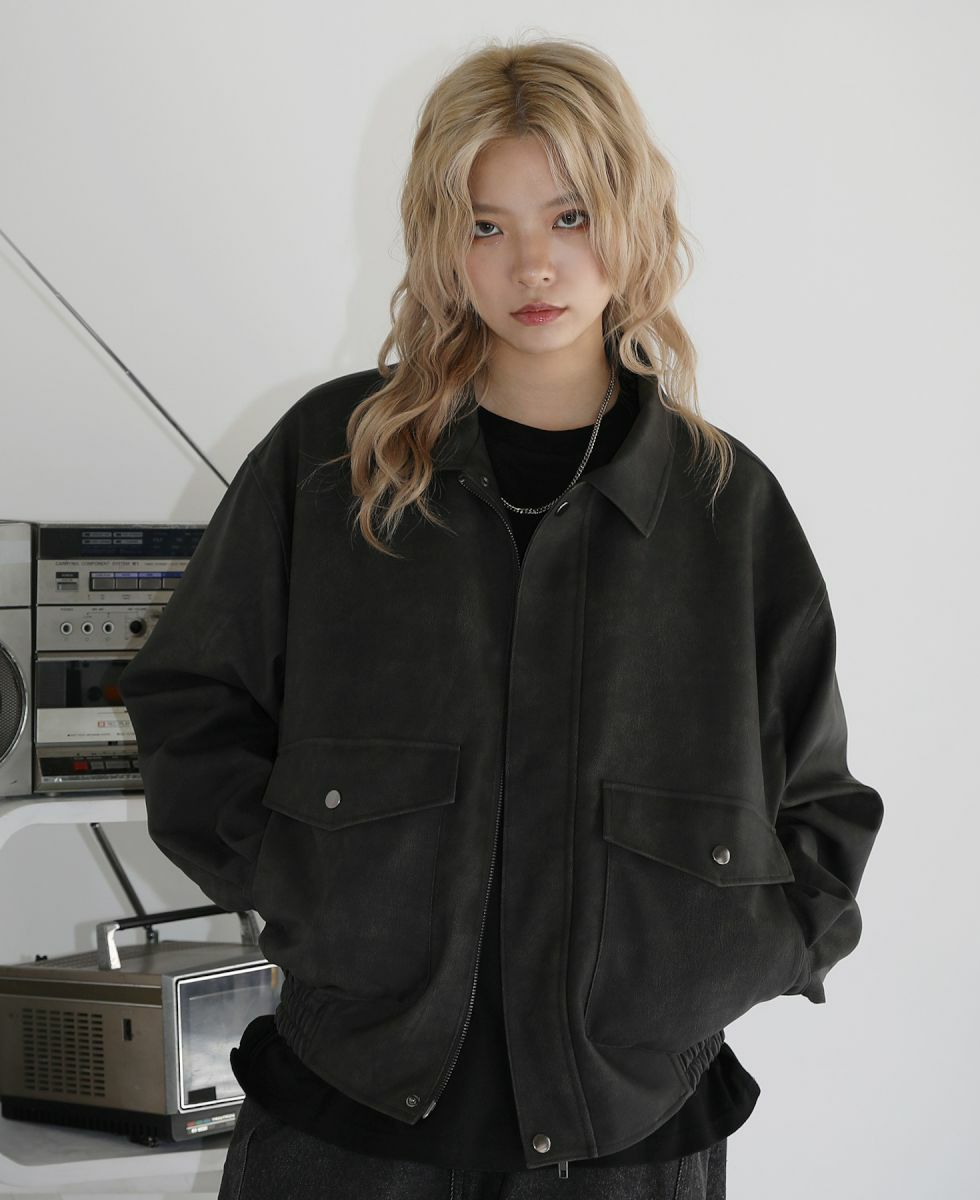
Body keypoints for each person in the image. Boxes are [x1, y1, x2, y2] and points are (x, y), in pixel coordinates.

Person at [118, 35, 883, 1200]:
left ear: (630, 217)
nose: (534, 264)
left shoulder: (724, 506)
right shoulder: (333, 462)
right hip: (347, 1119)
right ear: (441, 241)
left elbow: (820, 811)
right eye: (487, 225)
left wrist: (708, 967)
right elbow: (191, 701)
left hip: (628, 1134)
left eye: (569, 216)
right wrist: (304, 882)